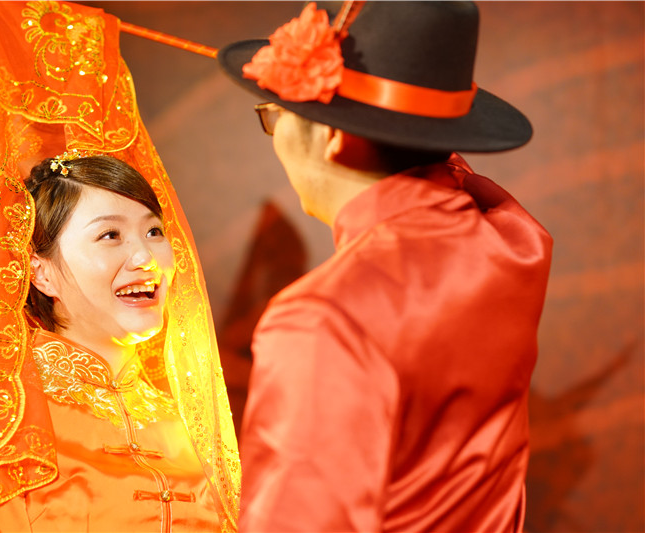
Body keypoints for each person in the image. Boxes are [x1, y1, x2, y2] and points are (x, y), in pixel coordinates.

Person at [217, 2, 552, 532]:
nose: (275, 132)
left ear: (331, 136)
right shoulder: (509, 238)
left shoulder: (323, 319)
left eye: (275, 116)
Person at [0, 2, 239, 532]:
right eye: (109, 235)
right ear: (39, 272)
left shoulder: (184, 418)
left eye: (154, 232)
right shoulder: (4, 424)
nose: (145, 258)